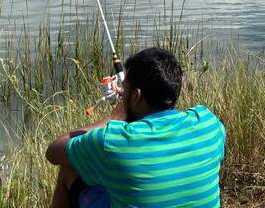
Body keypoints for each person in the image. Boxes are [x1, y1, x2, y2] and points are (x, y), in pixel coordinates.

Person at [46, 47, 226, 208]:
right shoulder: (209, 123)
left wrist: (114, 117)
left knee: (70, 168)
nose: (122, 95)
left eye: (124, 89)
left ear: (136, 96)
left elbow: (53, 151)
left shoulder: (113, 141)